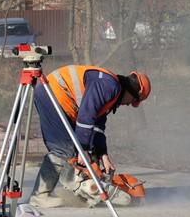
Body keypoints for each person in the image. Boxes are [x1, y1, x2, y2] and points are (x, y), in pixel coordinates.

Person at [30, 65, 151, 208]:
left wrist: (102, 154)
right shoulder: (109, 86)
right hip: (53, 94)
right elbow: (86, 115)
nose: (129, 104)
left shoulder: (113, 91)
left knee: (70, 149)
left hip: (56, 95)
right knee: (65, 151)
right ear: (132, 92)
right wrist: (83, 149)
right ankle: (45, 195)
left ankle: (63, 188)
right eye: (133, 101)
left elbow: (97, 127)